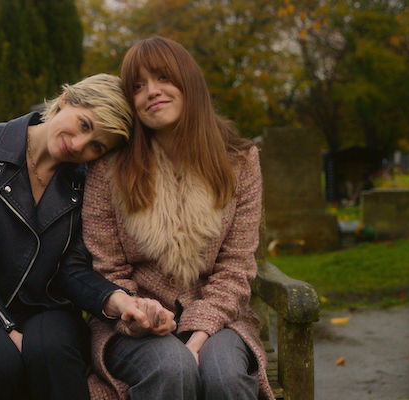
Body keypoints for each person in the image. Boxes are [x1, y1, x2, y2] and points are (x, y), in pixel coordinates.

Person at [0, 73, 175, 400]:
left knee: (51, 354)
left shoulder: (87, 180)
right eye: (84, 124)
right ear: (65, 100)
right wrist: (8, 329)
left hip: (48, 310)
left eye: (97, 145)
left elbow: (73, 270)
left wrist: (123, 302)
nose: (80, 145)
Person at [82, 37, 275, 400]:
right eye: (138, 86)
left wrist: (197, 336)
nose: (151, 92)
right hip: (130, 322)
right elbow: (106, 268)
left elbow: (236, 267)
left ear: (188, 82)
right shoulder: (109, 169)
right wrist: (138, 315)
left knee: (225, 378)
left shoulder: (239, 161)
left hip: (220, 318)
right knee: (171, 368)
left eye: (163, 78)